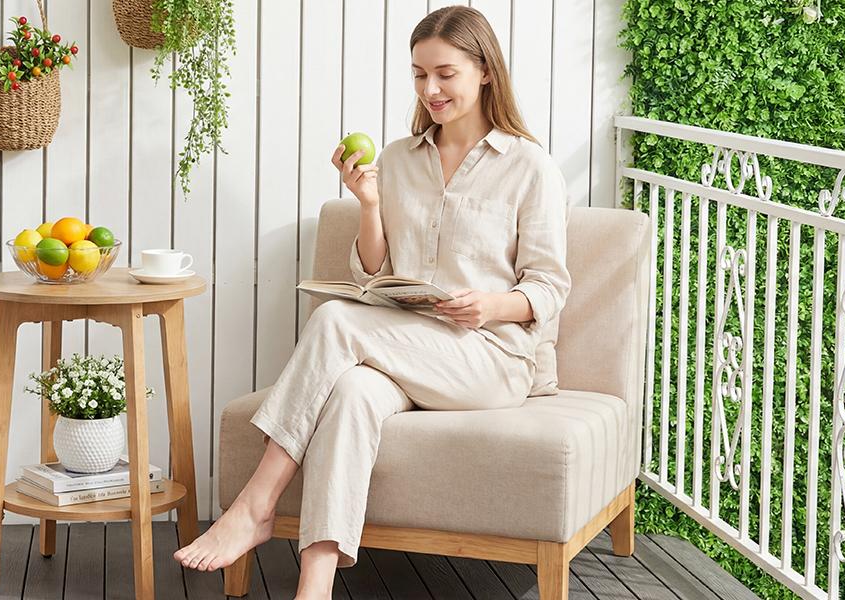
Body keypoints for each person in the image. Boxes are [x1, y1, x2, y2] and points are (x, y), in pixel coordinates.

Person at [172, 5, 570, 599]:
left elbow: (550, 287)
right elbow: (376, 271)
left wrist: (489, 304)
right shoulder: (399, 158)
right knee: (352, 392)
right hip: (406, 346)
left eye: (445, 74)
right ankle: (315, 585)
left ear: (485, 71)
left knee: (335, 320)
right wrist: (369, 203)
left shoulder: (529, 166)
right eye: (418, 75)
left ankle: (256, 503)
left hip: (488, 359)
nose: (429, 89)